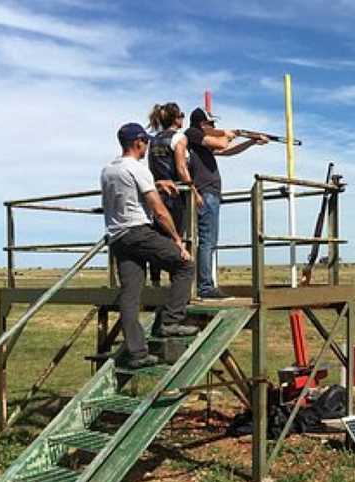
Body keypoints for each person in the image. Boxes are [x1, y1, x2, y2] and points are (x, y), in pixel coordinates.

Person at [101, 123, 198, 368]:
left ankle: (137, 353)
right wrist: (177, 240)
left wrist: (157, 183)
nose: (147, 146)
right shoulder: (137, 168)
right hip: (138, 232)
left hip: (118, 238)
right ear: (138, 142)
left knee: (130, 295)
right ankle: (170, 321)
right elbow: (158, 209)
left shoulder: (108, 170)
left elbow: (129, 192)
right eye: (145, 142)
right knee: (185, 265)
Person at [185, 107, 267, 297]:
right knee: (207, 240)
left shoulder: (200, 142)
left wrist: (250, 141)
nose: (215, 127)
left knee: (207, 240)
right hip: (205, 193)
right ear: (202, 124)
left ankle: (203, 284)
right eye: (211, 124)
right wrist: (231, 134)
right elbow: (223, 144)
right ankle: (205, 286)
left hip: (208, 193)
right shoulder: (193, 134)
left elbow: (227, 150)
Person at [146, 102, 200, 286]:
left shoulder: (153, 140)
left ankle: (154, 282)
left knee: (157, 238)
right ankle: (177, 282)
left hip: (155, 192)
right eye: (182, 115)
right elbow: (181, 168)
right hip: (175, 194)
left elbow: (152, 167)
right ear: (177, 119)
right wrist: (194, 192)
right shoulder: (179, 138)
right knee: (178, 237)